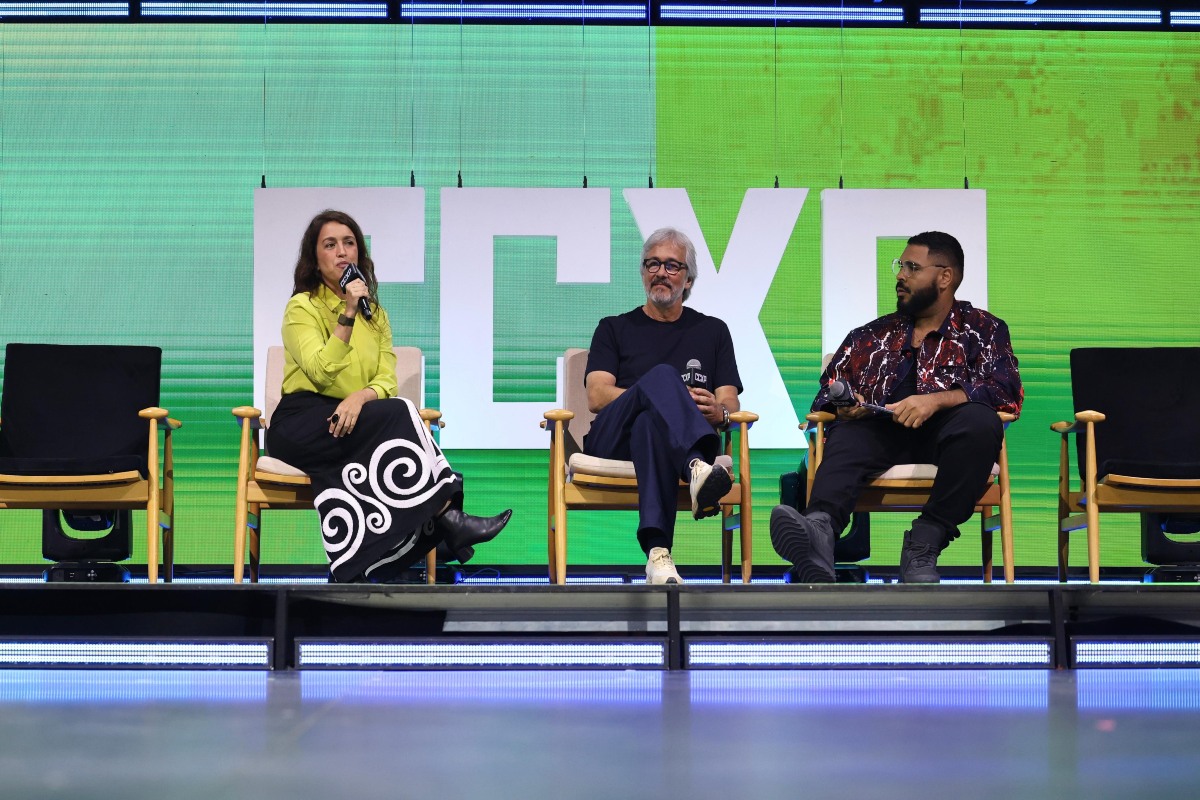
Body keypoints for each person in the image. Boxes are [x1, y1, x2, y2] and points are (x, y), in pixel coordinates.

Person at [266, 210, 511, 583]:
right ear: (315, 261)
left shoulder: (375, 315)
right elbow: (319, 369)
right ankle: (449, 518)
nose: (342, 252)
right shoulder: (302, 307)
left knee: (398, 409)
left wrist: (359, 398)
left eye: (349, 243)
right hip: (301, 422)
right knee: (400, 413)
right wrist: (347, 313)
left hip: (350, 419)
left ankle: (427, 530)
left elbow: (386, 380)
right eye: (330, 245)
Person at [771, 231, 1022, 584]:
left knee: (981, 424)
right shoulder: (872, 335)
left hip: (947, 434)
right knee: (847, 431)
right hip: (880, 431)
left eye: (911, 267)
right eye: (899, 266)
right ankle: (819, 532)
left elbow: (1004, 390)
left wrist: (936, 400)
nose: (900, 275)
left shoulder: (982, 329)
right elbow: (828, 391)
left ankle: (925, 541)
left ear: (944, 277)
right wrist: (846, 405)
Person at [583, 227, 742, 584]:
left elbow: (729, 399)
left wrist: (721, 413)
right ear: (643, 273)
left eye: (672, 266)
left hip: (656, 444)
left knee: (650, 428)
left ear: (688, 280)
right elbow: (595, 396)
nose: (660, 272)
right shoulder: (614, 327)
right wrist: (661, 392)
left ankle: (658, 554)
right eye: (652, 264)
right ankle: (697, 466)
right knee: (662, 378)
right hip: (611, 441)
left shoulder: (713, 331)